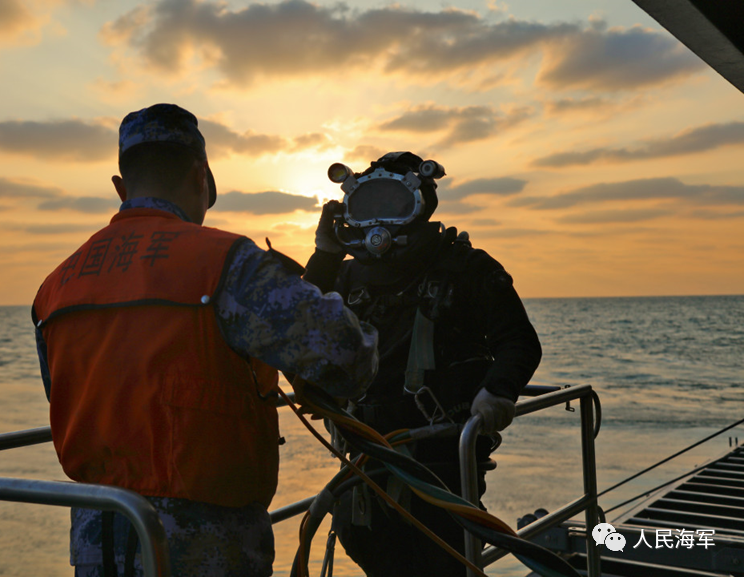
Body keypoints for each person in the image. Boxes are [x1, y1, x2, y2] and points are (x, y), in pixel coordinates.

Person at [31, 104, 379, 577]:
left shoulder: (56, 287)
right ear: (201, 176)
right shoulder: (225, 262)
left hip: (98, 539)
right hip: (208, 543)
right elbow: (348, 358)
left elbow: (64, 396)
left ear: (120, 187)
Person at [302, 151, 542, 576]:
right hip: (366, 458)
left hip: (442, 460)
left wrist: (497, 392)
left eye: (392, 204)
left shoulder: (465, 268)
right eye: (368, 204)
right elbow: (297, 327)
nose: (380, 220)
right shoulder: (347, 277)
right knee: (376, 556)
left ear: (420, 205)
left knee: (443, 561)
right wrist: (324, 254)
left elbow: (519, 342)